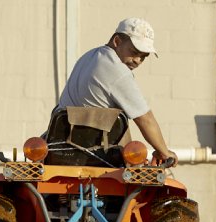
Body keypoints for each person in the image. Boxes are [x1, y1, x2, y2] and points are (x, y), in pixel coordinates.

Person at [57, 17, 178, 167]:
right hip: (98, 157)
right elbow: (145, 118)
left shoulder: (88, 57)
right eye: (134, 52)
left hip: (60, 149)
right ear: (117, 41)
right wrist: (164, 152)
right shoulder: (117, 70)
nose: (137, 61)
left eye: (143, 57)